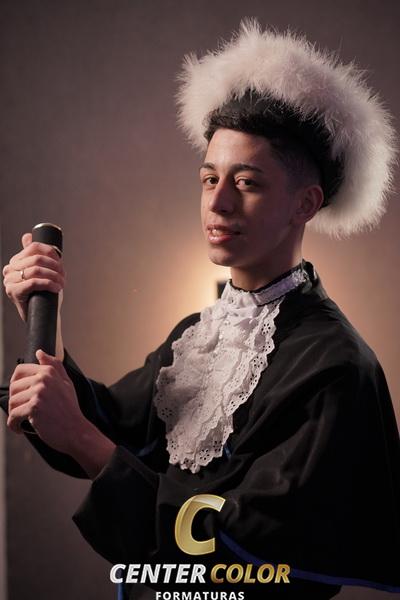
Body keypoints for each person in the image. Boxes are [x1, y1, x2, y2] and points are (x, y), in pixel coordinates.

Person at [1, 19, 400, 600]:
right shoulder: (199, 333)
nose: (218, 202)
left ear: (305, 204)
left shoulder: (337, 368)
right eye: (209, 178)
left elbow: (245, 553)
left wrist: (84, 439)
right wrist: (42, 313)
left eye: (248, 182)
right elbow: (118, 429)